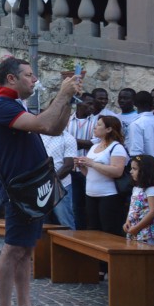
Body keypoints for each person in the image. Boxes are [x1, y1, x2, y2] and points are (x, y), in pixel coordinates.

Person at [0, 57, 79, 306]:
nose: (34, 79)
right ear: (11, 79)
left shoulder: (15, 104)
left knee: (26, 250)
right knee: (13, 249)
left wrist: (68, 100)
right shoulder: (2, 106)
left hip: (32, 188)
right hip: (19, 190)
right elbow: (45, 125)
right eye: (28, 75)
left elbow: (57, 127)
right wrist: (62, 93)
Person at [75, 115, 129, 237]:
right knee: (92, 229)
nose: (95, 127)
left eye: (99, 125)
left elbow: (117, 171)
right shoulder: (94, 146)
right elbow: (89, 174)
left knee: (109, 230)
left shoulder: (117, 147)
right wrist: (81, 165)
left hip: (108, 195)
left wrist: (93, 163)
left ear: (109, 129)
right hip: (90, 194)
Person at [66, 92, 96, 231]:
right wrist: (81, 143)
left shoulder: (96, 121)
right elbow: (62, 141)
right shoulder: (67, 120)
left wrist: (71, 141)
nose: (91, 107)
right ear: (79, 103)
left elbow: (94, 143)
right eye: (88, 103)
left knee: (89, 205)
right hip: (70, 170)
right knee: (74, 205)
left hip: (88, 170)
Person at [40, 124, 77, 229]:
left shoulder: (68, 138)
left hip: (61, 185)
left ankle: (69, 245)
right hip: (41, 186)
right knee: (42, 222)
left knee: (65, 220)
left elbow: (68, 165)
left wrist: (50, 180)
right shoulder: (39, 136)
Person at [124, 154, 154, 245]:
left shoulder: (152, 189)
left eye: (134, 169)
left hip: (147, 231)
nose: (130, 171)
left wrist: (137, 228)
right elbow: (132, 208)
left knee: (145, 256)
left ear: (145, 171)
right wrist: (127, 222)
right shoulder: (136, 188)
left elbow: (153, 212)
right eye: (131, 168)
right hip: (134, 229)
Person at [128, 91, 154, 163]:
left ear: (134, 104)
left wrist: (138, 166)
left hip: (144, 170)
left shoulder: (136, 124)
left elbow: (136, 153)